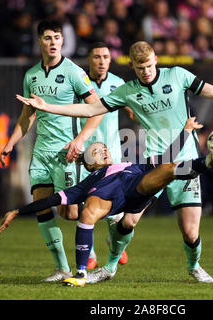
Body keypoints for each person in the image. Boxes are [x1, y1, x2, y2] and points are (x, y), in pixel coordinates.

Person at [16, 40, 213, 284]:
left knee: (189, 231)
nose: (146, 71)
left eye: (149, 65)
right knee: (128, 221)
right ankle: (109, 267)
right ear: (133, 67)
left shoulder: (178, 76)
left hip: (185, 162)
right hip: (153, 166)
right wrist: (47, 106)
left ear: (156, 60)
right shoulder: (127, 91)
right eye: (140, 68)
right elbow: (90, 108)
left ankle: (194, 266)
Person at [0, 118, 213, 287]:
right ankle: (80, 273)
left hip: (137, 188)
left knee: (167, 168)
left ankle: (208, 162)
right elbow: (52, 199)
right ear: (89, 163)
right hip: (110, 199)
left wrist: (186, 131)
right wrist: (18, 210)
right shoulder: (88, 183)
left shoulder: (129, 166)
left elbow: (167, 155)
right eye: (97, 151)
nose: (104, 151)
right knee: (88, 213)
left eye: (104, 148)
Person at [0, 20, 104, 282]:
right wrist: (10, 143)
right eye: (48, 38)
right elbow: (28, 115)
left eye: (57, 37)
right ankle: (62, 268)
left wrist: (79, 140)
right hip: (41, 153)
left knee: (69, 213)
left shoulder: (73, 72)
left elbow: (97, 110)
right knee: (41, 206)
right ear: (39, 41)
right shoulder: (31, 75)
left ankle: (108, 217)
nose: (54, 42)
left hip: (66, 153)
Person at [82, 42, 130, 269]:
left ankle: (114, 243)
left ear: (111, 60)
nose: (102, 61)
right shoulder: (79, 83)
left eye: (106, 57)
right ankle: (90, 254)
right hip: (85, 157)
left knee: (115, 209)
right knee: (86, 206)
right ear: (89, 59)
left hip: (112, 156)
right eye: (97, 57)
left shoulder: (118, 84)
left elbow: (133, 110)